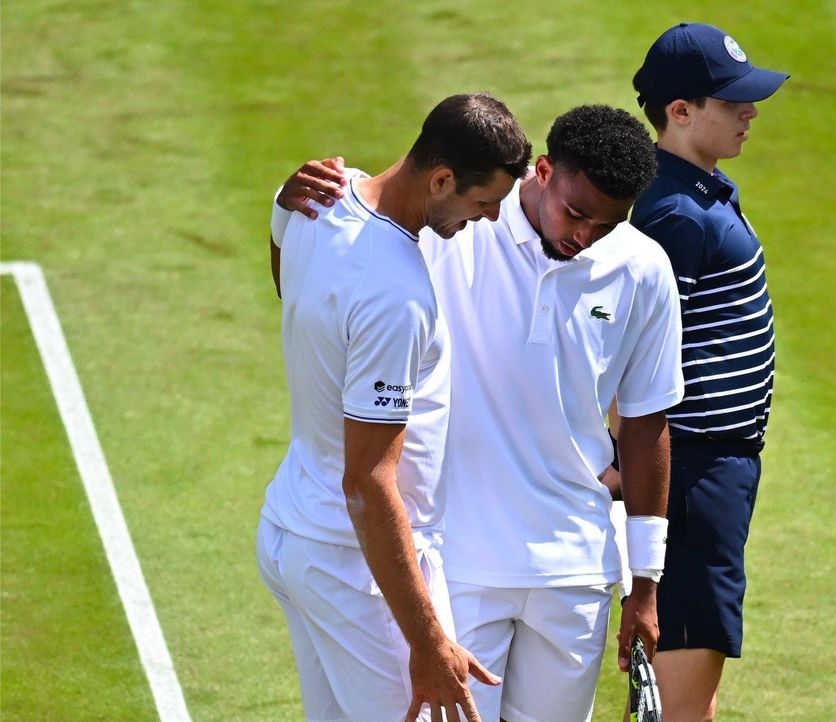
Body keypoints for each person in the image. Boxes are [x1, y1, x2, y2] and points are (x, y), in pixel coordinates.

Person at [273, 104, 685, 722]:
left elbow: (649, 423)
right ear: (542, 171)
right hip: (458, 564)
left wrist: (646, 582)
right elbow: (342, 256)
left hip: (574, 570)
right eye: (575, 213)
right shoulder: (456, 224)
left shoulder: (645, 269)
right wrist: (288, 205)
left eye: (605, 225)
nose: (583, 236)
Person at [256, 92, 532, 722]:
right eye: (482, 203)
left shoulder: (314, 197)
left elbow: (286, 275)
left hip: (297, 532)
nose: (488, 220)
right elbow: (368, 480)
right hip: (353, 567)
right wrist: (428, 642)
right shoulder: (395, 294)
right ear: (441, 180)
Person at [627, 22, 789, 722]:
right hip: (692, 475)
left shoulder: (702, 191)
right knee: (683, 697)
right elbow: (639, 363)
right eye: (732, 101)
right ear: (680, 112)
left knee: (698, 684)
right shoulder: (674, 215)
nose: (750, 111)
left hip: (714, 469)